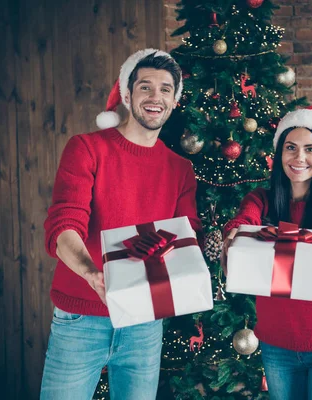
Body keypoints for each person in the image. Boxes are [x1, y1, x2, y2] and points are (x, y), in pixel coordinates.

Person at [40, 48, 201, 400]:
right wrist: (90, 272)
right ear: (127, 95)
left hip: (145, 323)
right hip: (81, 318)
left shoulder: (180, 170)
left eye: (165, 89)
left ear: (174, 101)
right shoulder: (86, 149)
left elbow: (186, 235)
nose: (155, 97)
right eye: (145, 87)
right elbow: (65, 223)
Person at [221, 106, 312, 400]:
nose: (299, 158)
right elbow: (244, 220)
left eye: (310, 149)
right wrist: (233, 234)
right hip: (278, 346)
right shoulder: (260, 199)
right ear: (279, 153)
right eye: (291, 148)